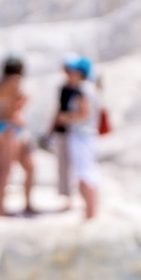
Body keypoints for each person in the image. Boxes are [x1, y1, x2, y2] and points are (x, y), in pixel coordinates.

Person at [0, 57, 34, 216]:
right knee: (5, 169)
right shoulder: (14, 81)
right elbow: (22, 99)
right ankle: (2, 210)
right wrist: (8, 109)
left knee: (2, 168)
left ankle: (1, 208)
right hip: (8, 128)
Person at [52, 56, 104, 221]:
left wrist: (65, 118)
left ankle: (89, 213)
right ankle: (92, 210)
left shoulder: (82, 89)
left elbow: (84, 113)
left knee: (84, 174)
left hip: (80, 135)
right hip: (89, 135)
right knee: (90, 171)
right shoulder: (92, 88)